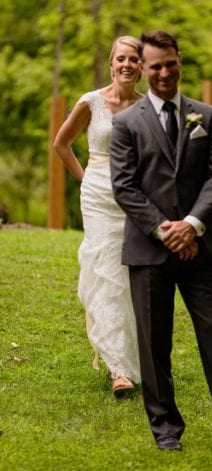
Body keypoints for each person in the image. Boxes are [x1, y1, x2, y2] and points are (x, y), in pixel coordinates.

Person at [108, 30, 212, 455]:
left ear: (180, 61)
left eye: (169, 63)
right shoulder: (125, 123)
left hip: (201, 248)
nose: (163, 72)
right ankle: (165, 431)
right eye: (154, 65)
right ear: (143, 68)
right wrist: (167, 231)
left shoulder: (207, 117)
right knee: (154, 342)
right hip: (149, 250)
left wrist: (193, 226)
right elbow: (124, 187)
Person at [52, 36, 146, 397]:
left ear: (141, 67)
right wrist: (85, 177)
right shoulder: (91, 102)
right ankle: (117, 369)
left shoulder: (148, 107)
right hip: (98, 198)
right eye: (120, 58)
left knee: (130, 277)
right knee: (107, 273)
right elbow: (62, 143)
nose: (126, 64)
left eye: (133, 59)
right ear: (111, 64)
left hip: (134, 200)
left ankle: (137, 356)